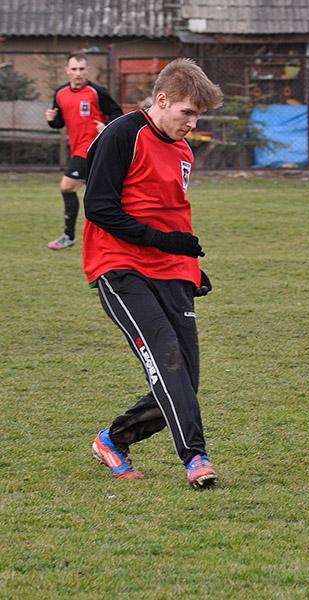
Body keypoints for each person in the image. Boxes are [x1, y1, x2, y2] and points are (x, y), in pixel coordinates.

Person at [83, 58, 223, 488]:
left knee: (186, 380)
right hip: (119, 267)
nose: (192, 122)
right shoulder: (123, 134)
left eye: (198, 114)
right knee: (167, 361)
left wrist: (191, 268)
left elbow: (174, 217)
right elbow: (99, 208)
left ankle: (113, 439)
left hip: (171, 271)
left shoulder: (183, 150)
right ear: (161, 100)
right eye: (187, 112)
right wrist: (162, 243)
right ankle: (195, 458)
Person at [45, 51, 123, 250]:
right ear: (67, 71)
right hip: (77, 149)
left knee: (67, 187)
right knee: (101, 195)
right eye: (74, 69)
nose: (78, 73)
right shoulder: (60, 94)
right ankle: (112, 237)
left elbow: (118, 115)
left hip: (92, 149)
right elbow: (59, 122)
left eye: (81, 69)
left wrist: (105, 126)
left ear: (87, 70)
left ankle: (69, 236)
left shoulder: (98, 92)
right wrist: (52, 120)